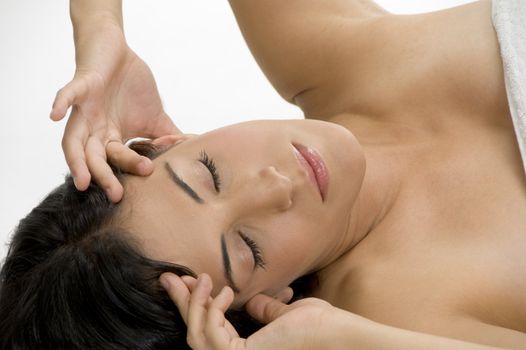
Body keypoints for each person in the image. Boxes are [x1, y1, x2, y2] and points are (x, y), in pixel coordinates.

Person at [1, 0, 525, 349]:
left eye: (210, 174)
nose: (277, 184)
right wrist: (333, 338)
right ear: (265, 303)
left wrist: (101, 33)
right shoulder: (403, 312)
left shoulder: (321, 52)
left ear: (167, 142)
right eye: (249, 249)